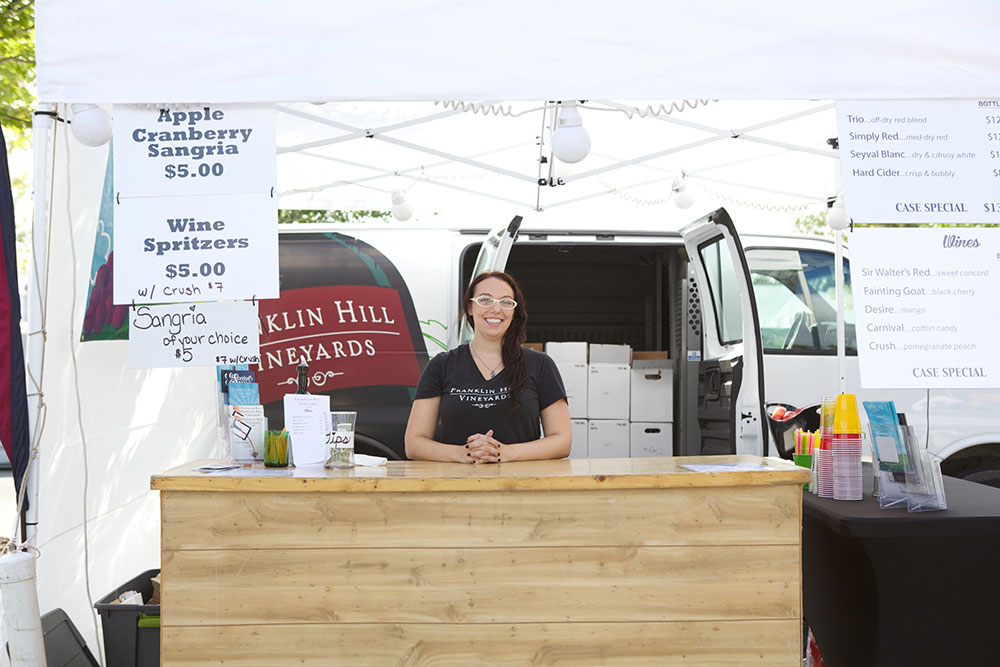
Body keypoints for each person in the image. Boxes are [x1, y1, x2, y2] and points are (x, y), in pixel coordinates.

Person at [405, 271, 571, 463]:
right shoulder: (441, 365)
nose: (495, 309)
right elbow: (414, 443)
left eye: (506, 302)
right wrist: (463, 454)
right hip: (457, 487)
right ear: (469, 307)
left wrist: (505, 453)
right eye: (485, 300)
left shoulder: (541, 365)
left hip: (521, 486)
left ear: (514, 311)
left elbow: (562, 440)